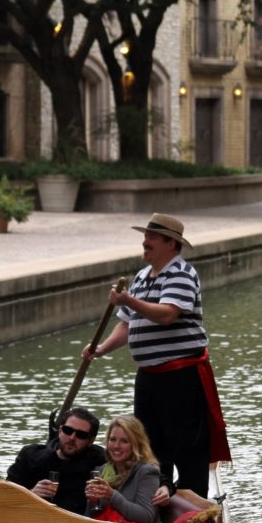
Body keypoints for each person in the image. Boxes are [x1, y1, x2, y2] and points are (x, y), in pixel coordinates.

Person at [82, 213, 230, 504]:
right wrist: (101, 348)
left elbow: (167, 314)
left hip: (181, 376)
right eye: (146, 236)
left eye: (151, 237)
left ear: (170, 243)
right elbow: (126, 324)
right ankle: (152, 504)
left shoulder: (182, 274)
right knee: (148, 443)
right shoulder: (140, 278)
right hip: (149, 377)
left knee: (187, 446)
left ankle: (193, 505)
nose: (144, 242)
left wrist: (127, 300)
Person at [6, 407, 105, 515]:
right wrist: (31, 494)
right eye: (68, 430)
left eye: (81, 435)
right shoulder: (30, 456)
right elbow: (4, 497)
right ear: (60, 430)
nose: (72, 437)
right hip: (32, 520)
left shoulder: (100, 460)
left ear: (91, 441)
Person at [84, 415, 162, 523]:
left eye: (124, 441)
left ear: (136, 444)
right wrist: (93, 502)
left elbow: (147, 517)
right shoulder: (101, 471)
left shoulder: (147, 472)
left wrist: (112, 495)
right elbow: (90, 518)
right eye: (112, 439)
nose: (116, 446)